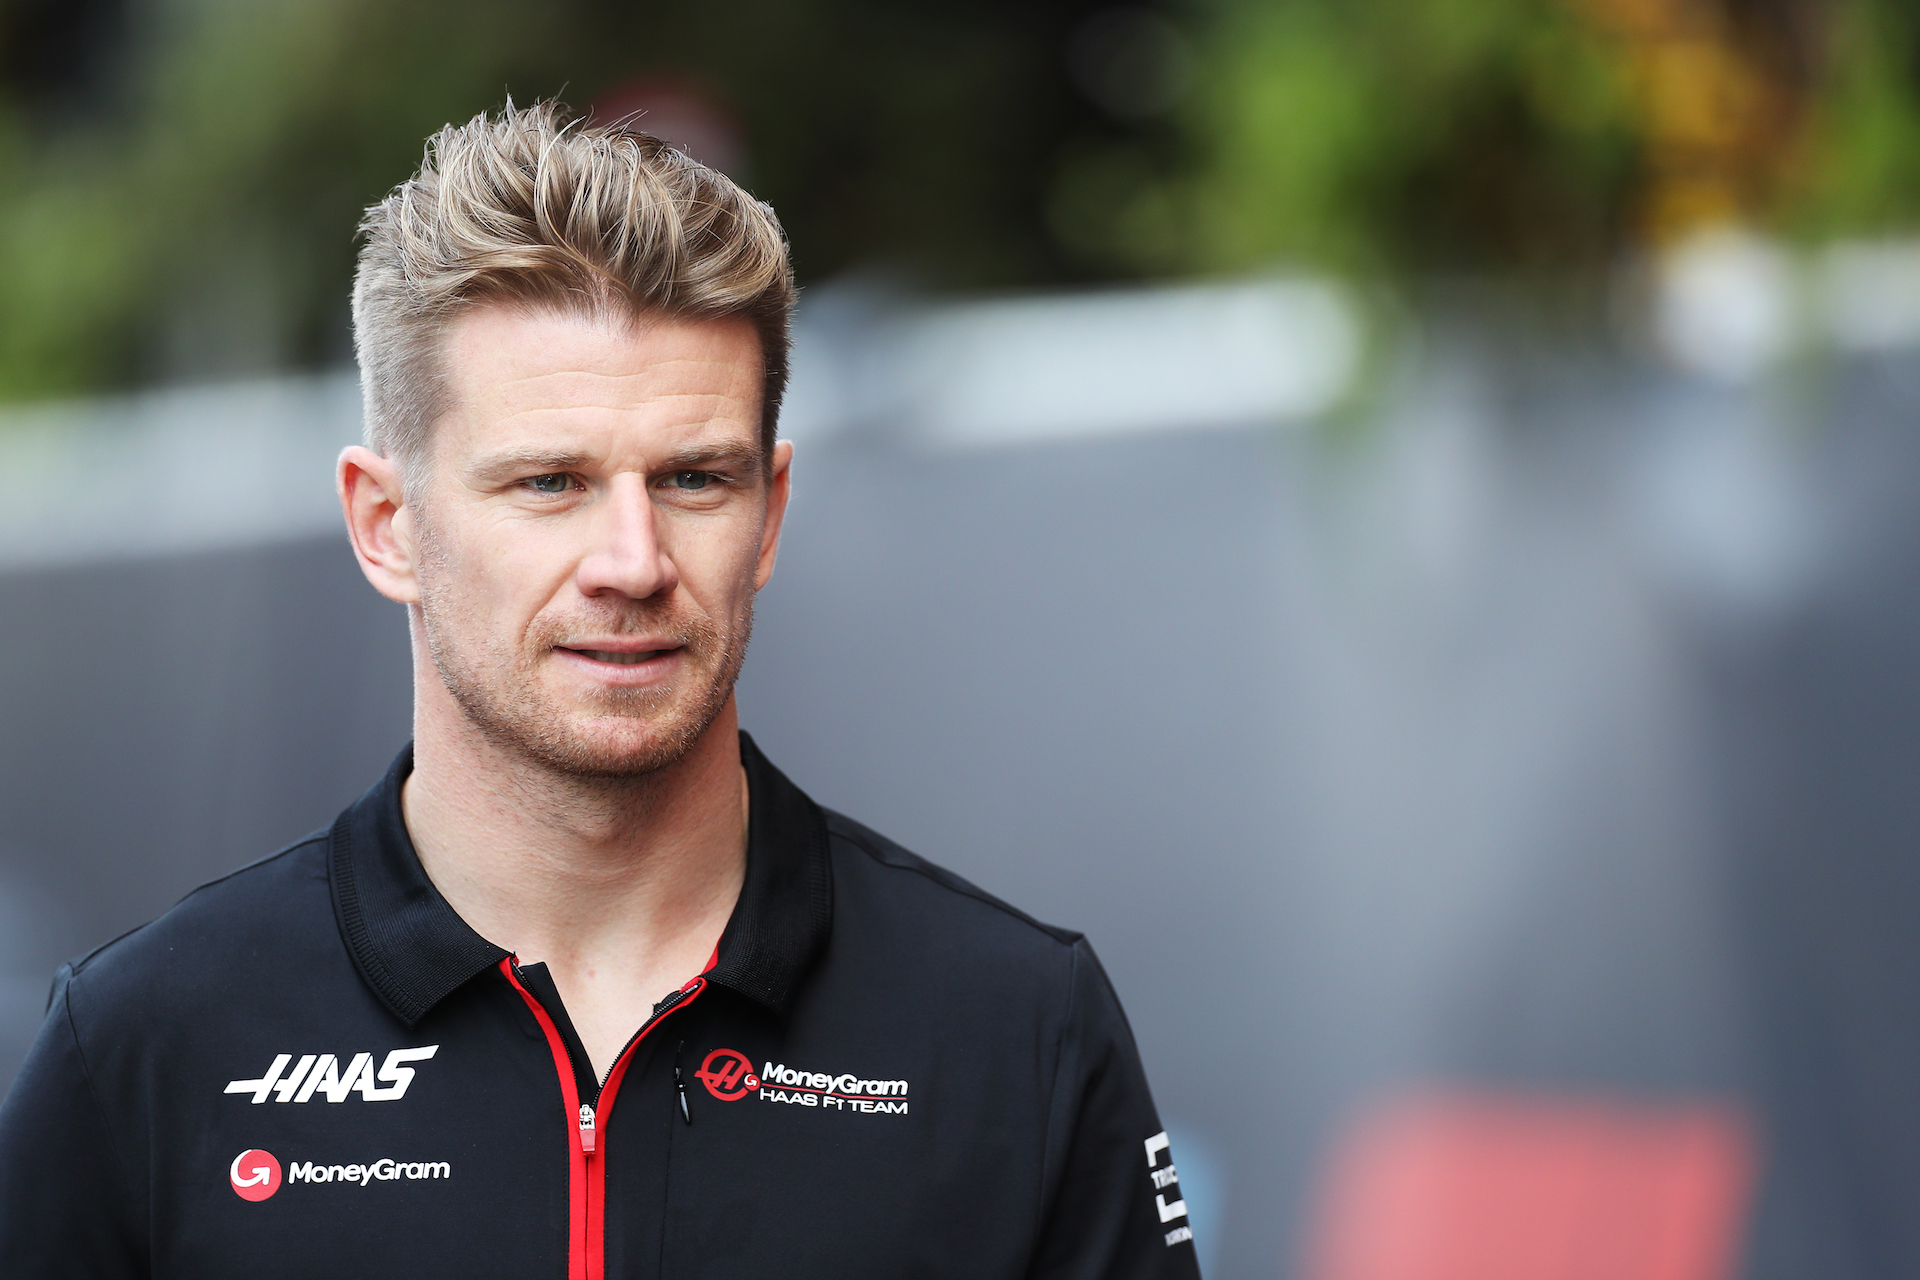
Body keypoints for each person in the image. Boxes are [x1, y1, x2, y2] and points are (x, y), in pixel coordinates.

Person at [0, 101, 1199, 1279]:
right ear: (386, 522)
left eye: (693, 479)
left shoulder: (1014, 1029)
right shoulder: (145, 1046)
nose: (633, 561)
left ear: (771, 513)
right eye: (550, 482)